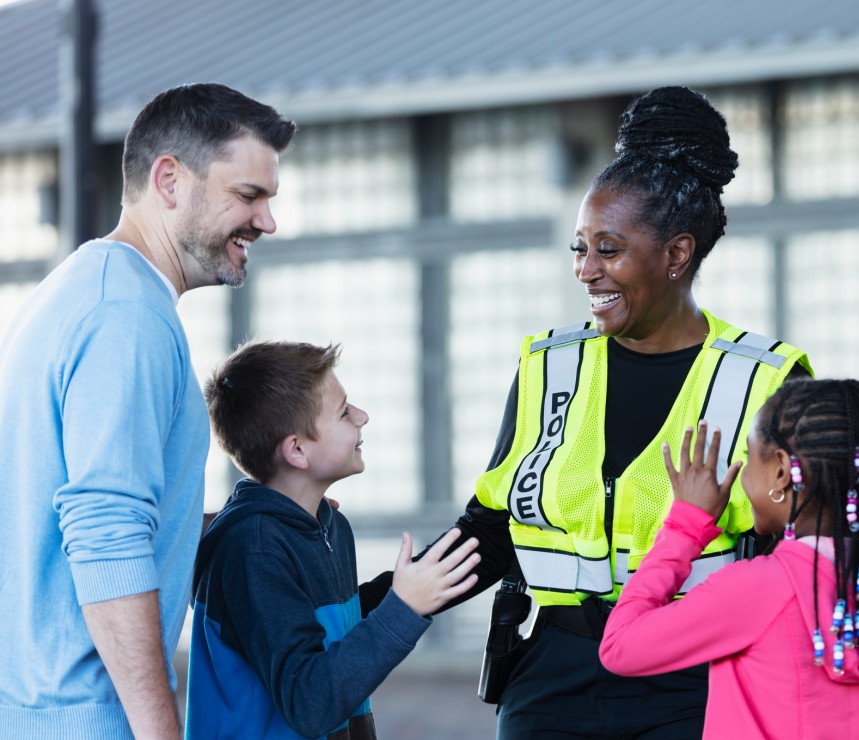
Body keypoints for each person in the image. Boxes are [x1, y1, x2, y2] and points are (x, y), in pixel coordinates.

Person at [423, 86, 813, 738]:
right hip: (550, 678)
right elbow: (491, 527)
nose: (586, 270)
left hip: (696, 680)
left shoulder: (766, 379)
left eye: (607, 249)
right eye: (579, 248)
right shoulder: (548, 365)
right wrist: (371, 610)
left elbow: (805, 550)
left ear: (676, 253)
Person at [0, 83, 294, 738]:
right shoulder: (123, 317)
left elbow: (71, 511)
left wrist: (258, 525)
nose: (268, 221)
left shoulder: (84, 291)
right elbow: (107, 533)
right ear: (169, 180)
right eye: (249, 195)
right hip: (86, 720)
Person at [187, 341, 479, 739]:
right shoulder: (252, 550)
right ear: (296, 450)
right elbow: (311, 702)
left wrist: (411, 590)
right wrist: (403, 609)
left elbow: (333, 630)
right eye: (343, 412)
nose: (362, 416)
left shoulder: (328, 525)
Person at [600, 381, 859, 739]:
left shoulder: (758, 588)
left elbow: (620, 647)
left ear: (782, 472)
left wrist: (685, 526)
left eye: (749, 458)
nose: (743, 479)